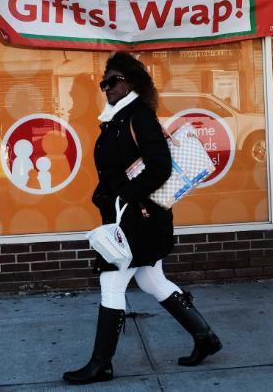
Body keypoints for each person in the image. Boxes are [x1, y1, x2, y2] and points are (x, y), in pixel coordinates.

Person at [63, 51, 222, 385]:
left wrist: (126, 195)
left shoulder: (139, 117)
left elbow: (161, 166)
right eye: (103, 82)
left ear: (131, 83)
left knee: (112, 280)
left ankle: (101, 363)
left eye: (114, 81)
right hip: (134, 216)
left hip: (139, 217)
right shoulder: (117, 119)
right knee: (152, 281)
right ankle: (205, 337)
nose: (107, 87)